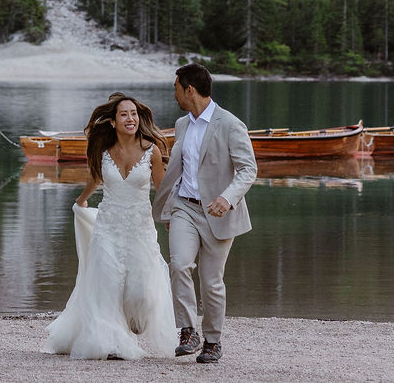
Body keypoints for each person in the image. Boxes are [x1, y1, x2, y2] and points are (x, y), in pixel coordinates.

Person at [44, 93, 177, 360]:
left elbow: (162, 190)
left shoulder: (151, 150)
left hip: (140, 228)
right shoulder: (104, 152)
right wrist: (81, 201)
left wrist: (170, 219)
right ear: (114, 122)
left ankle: (131, 326)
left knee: (141, 294)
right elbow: (95, 178)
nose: (130, 118)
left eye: (134, 114)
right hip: (107, 227)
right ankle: (112, 342)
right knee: (107, 286)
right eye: (124, 114)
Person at [152, 61, 257, 365]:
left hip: (219, 213)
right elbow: (180, 171)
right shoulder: (183, 124)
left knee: (211, 281)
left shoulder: (230, 124)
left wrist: (227, 198)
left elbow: (248, 170)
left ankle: (212, 341)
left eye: (176, 89)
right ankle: (187, 331)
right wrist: (170, 208)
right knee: (180, 265)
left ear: (190, 90)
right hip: (185, 206)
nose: (174, 95)